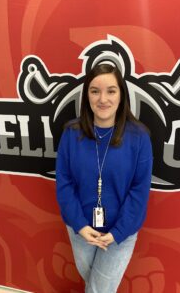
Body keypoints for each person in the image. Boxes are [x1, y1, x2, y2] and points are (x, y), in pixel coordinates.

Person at [56, 63, 153, 293]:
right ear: (86, 95)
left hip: (120, 233)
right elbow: (64, 182)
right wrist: (79, 225)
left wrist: (118, 232)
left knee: (99, 290)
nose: (103, 99)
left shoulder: (139, 137)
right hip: (81, 230)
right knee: (96, 285)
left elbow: (139, 191)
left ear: (121, 95)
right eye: (95, 91)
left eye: (111, 90)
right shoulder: (72, 133)